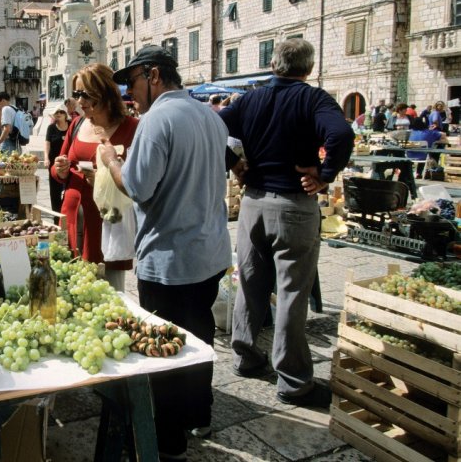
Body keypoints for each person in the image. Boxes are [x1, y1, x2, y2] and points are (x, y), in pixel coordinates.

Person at [96, 44, 232, 459]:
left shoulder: (156, 120)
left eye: (132, 83)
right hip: (208, 253)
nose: (128, 94)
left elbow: (137, 186)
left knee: (167, 350)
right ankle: (199, 412)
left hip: (170, 258)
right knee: (200, 336)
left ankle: (170, 440)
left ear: (153, 75)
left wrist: (109, 160)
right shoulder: (210, 116)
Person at [218, 38, 354, 408]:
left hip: (253, 205)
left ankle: (245, 356)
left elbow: (211, 125)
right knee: (293, 293)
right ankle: (293, 381)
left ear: (274, 65)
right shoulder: (314, 98)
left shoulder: (251, 98)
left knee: (250, 283)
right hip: (294, 205)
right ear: (307, 68)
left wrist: (235, 163)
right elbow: (341, 134)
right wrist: (325, 173)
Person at [50, 64, 138, 281]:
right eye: (77, 94)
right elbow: (58, 168)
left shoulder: (132, 128)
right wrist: (59, 169)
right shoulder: (77, 124)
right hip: (72, 216)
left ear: (106, 92)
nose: (80, 102)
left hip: (107, 221)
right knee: (69, 284)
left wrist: (102, 177)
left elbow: (137, 179)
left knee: (109, 291)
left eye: (86, 95)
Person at [43, 104, 69, 214]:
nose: (58, 114)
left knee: (68, 191)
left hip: (68, 163)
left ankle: (66, 214)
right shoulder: (51, 127)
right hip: (54, 164)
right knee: (55, 192)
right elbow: (47, 144)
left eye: (61, 112)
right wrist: (46, 158)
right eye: (56, 112)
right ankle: (56, 216)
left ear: (65, 114)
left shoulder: (72, 125)